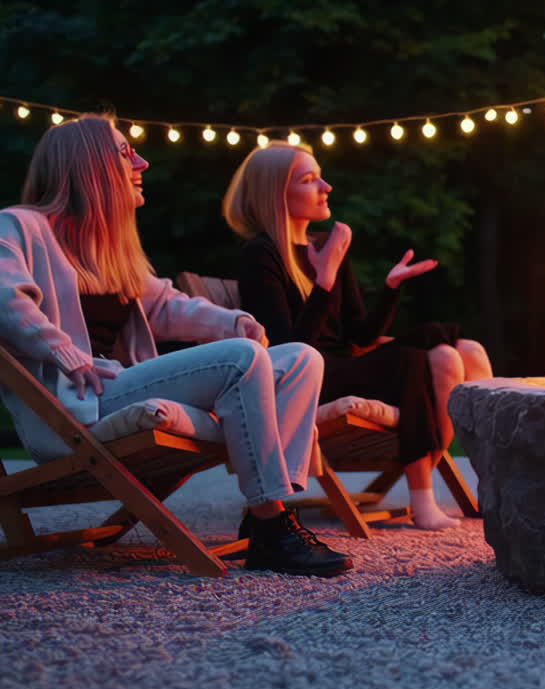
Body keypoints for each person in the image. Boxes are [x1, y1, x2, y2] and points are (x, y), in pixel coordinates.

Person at [0, 115, 350, 576]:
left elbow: (166, 305)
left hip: (118, 384)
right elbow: (6, 298)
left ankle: (265, 513)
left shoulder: (106, 249)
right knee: (242, 359)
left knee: (302, 358)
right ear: (89, 163)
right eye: (126, 153)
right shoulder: (20, 225)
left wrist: (234, 321)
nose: (142, 163)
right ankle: (273, 527)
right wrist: (64, 351)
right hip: (76, 405)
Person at [225, 142, 493, 531]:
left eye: (321, 177)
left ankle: (491, 483)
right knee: (411, 360)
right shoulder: (260, 255)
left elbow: (361, 333)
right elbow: (289, 350)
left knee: (463, 349)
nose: (326, 187)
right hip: (308, 378)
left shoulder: (325, 246)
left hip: (346, 364)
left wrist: (390, 288)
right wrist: (325, 278)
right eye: (310, 179)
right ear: (276, 194)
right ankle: (423, 501)